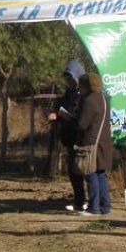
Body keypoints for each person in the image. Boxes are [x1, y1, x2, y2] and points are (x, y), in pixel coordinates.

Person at [47, 60, 86, 212]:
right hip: (69, 136)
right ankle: (79, 200)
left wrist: (68, 116)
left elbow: (80, 114)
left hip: (80, 137)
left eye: (71, 78)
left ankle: (87, 201)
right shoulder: (69, 93)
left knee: (84, 170)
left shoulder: (83, 95)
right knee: (73, 171)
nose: (69, 82)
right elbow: (61, 107)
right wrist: (56, 113)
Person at [75, 73, 113, 216]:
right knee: (101, 174)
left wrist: (73, 118)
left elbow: (82, 124)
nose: (79, 88)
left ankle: (94, 207)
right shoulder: (104, 99)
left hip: (91, 143)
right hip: (104, 142)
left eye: (81, 85)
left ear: (86, 85)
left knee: (91, 174)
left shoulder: (89, 100)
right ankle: (105, 206)